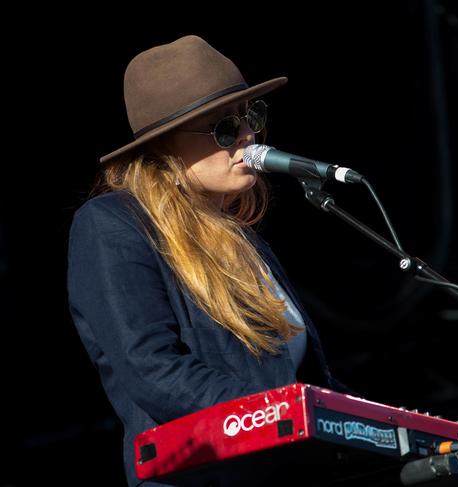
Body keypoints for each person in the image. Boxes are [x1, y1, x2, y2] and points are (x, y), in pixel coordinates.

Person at [67, 35, 352, 487]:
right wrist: (279, 411)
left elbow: (305, 379)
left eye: (250, 117)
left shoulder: (241, 240)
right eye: (224, 128)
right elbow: (152, 369)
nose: (248, 137)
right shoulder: (111, 224)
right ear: (164, 147)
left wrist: (373, 422)